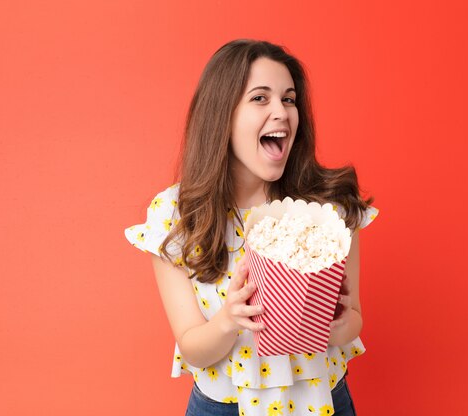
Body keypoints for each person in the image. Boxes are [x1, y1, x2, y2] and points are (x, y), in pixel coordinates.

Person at [125, 39, 379, 416]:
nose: (281, 111)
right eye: (260, 98)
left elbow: (352, 319)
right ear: (221, 114)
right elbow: (192, 346)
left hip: (323, 400)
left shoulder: (329, 207)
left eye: (289, 99)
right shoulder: (176, 216)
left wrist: (337, 321)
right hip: (223, 406)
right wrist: (229, 319)